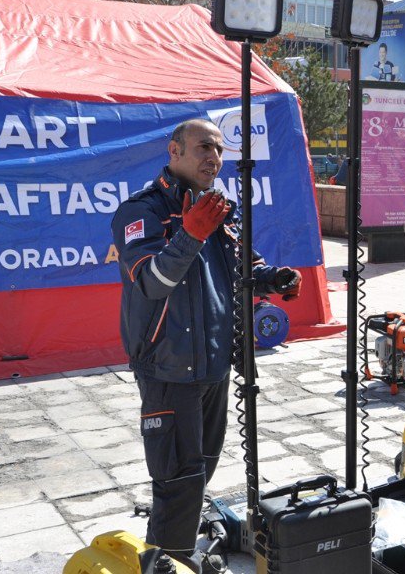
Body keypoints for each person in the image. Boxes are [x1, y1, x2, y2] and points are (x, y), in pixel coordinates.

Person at [111, 119, 302, 573]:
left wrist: (272, 277)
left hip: (215, 365)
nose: (214, 157)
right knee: (178, 480)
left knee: (201, 472)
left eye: (219, 149)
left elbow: (241, 265)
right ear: (174, 151)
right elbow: (154, 282)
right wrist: (189, 234)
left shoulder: (215, 209)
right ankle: (166, 562)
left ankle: (172, 552)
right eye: (203, 147)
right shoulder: (142, 211)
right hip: (167, 368)